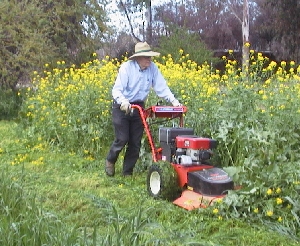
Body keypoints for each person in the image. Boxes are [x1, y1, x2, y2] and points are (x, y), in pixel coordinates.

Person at [105, 41, 182, 177]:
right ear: (138, 58)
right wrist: (123, 102)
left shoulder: (153, 69)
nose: (149, 59)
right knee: (122, 138)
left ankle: (127, 173)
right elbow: (117, 90)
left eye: (150, 56)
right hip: (122, 105)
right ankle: (110, 160)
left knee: (135, 142)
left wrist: (174, 102)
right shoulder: (127, 68)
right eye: (146, 56)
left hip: (138, 107)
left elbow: (161, 87)